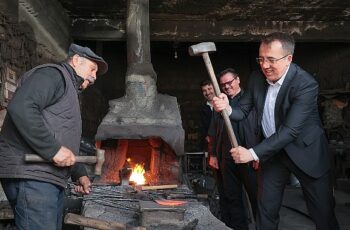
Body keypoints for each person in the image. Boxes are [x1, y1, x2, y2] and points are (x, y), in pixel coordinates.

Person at [213, 32, 340, 230]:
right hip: (273, 155)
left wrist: (252, 153)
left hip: (306, 153)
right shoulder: (257, 78)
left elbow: (290, 131)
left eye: (271, 59)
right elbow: (243, 111)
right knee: (265, 210)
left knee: (322, 214)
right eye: (261, 59)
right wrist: (226, 108)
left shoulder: (305, 84)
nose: (264, 65)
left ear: (289, 58)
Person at [0, 43, 108, 230]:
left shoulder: (69, 90)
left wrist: (79, 173)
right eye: (92, 69)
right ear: (76, 60)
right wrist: (53, 150)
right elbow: (22, 107)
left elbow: (61, 137)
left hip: (46, 177)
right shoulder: (53, 75)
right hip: (33, 175)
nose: (94, 76)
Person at [208, 68, 258, 230]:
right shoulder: (219, 102)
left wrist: (258, 154)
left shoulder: (249, 97)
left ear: (238, 80)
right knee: (232, 197)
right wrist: (213, 154)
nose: (227, 87)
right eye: (223, 85)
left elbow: (240, 114)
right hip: (227, 157)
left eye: (230, 82)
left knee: (257, 197)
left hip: (248, 155)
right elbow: (213, 131)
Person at [199, 79, 215, 149]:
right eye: (204, 91)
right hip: (211, 144)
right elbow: (202, 128)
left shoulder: (224, 103)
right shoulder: (202, 109)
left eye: (209, 89)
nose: (207, 92)